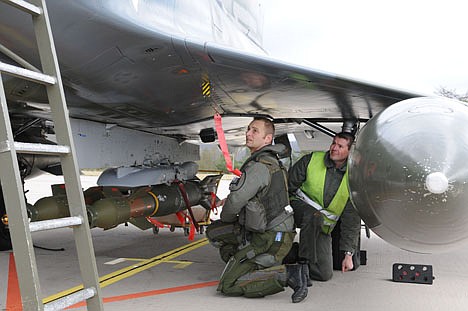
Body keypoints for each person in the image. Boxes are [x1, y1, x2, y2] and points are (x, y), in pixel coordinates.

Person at [206, 117, 308, 303]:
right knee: (215, 231)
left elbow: (236, 200)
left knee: (228, 285)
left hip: (271, 237)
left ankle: (289, 274)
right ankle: (245, 261)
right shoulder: (270, 162)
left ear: (268, 139)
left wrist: (227, 218)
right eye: (248, 129)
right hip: (268, 231)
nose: (248, 133)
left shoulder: (260, 166)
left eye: (255, 131)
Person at [288, 132, 361, 282]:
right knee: (313, 216)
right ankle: (303, 265)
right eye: (333, 143)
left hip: (321, 225)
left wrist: (348, 254)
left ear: (350, 151)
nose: (334, 148)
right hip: (296, 209)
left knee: (324, 274)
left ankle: (292, 253)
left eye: (340, 146)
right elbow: (286, 186)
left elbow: (351, 219)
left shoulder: (353, 178)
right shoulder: (311, 160)